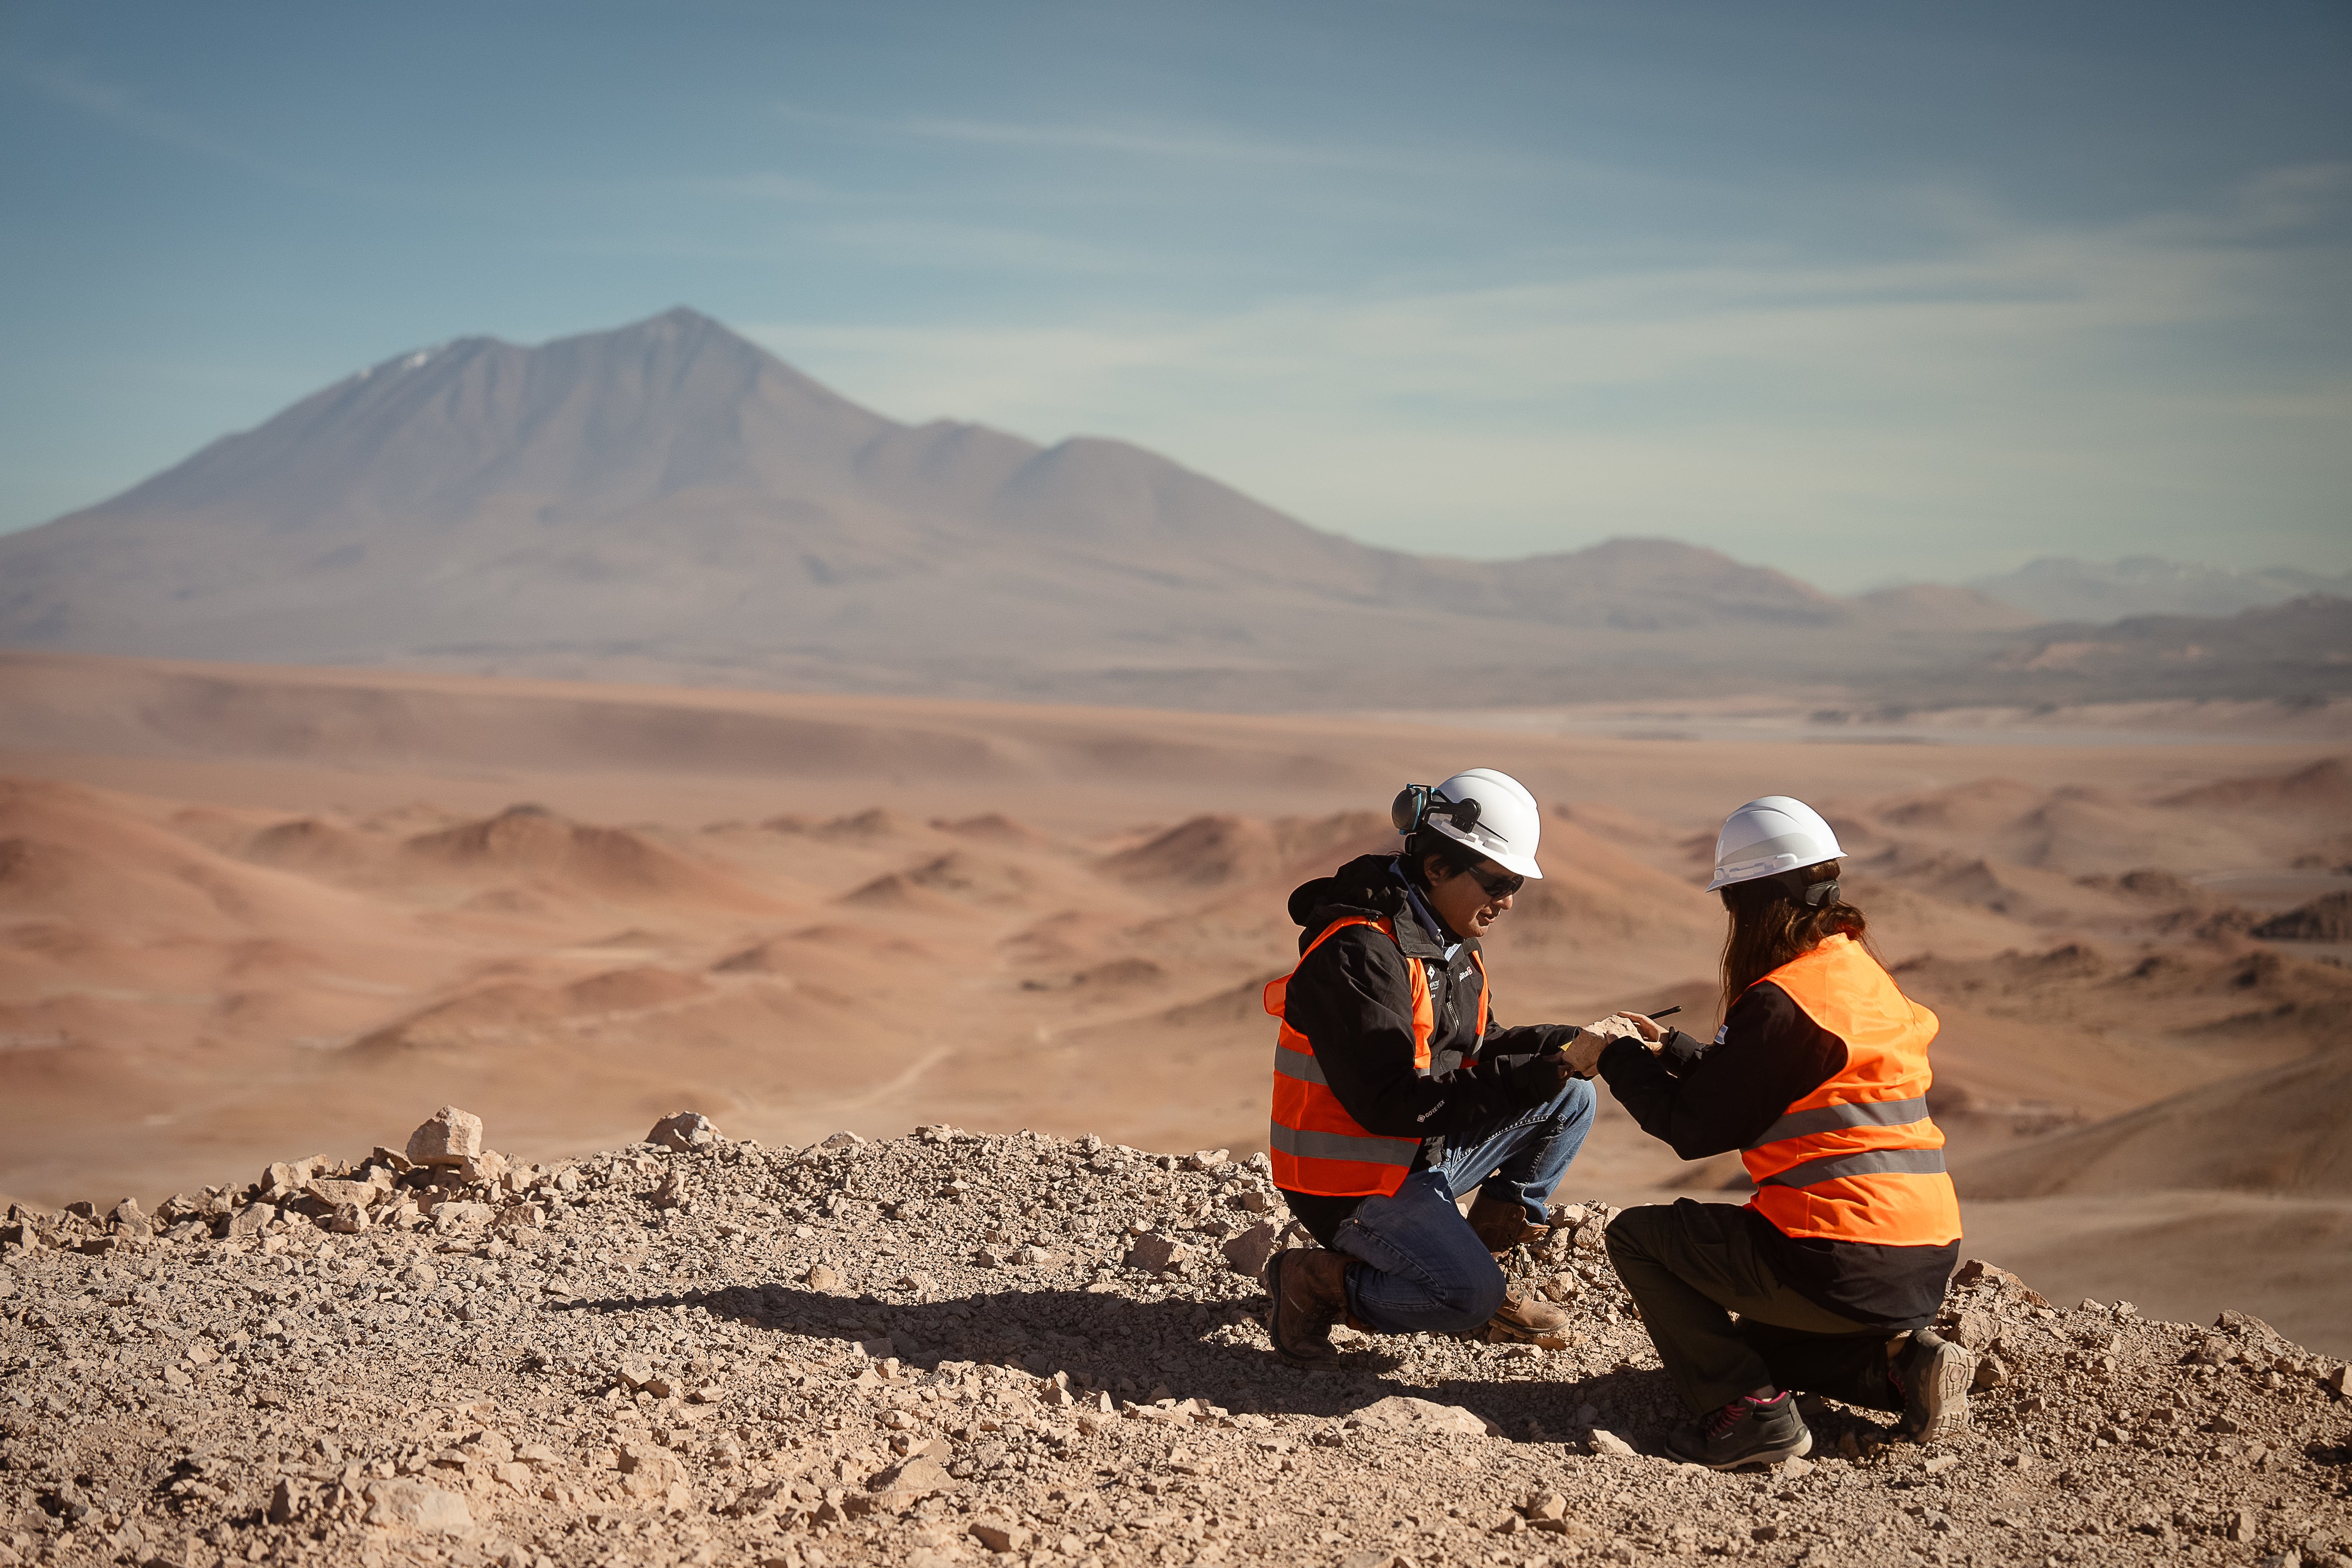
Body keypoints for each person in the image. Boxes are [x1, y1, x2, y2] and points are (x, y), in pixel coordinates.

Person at [1593, 795, 1973, 1468]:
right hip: (1923, 1256)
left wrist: (1614, 1056)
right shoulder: (1857, 977)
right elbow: (1761, 1078)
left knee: (1639, 1240)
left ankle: (1750, 1421)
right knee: (1758, 1348)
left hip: (1838, 1256)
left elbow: (1690, 1127)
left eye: (1733, 905)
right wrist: (1672, 1050)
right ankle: (1901, 1369)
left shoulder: (1781, 1000)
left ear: (1755, 902)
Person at [1262, 768, 1639, 1362]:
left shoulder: (1447, 939)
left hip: (1416, 1156)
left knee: (1571, 1099)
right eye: (1497, 882)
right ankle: (1319, 1282)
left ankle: (1470, 1255)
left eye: (1515, 883)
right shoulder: (1359, 953)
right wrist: (1534, 1075)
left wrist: (1568, 1044)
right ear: (1437, 868)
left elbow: (1480, 1047)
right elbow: (1390, 1104)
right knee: (1467, 1297)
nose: (1508, 900)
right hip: (1349, 1180)